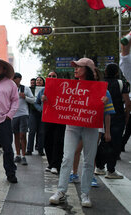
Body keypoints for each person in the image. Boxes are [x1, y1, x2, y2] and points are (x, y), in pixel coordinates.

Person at [49, 58, 113, 208]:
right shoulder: (69, 87)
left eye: (79, 66)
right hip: (72, 126)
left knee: (89, 160)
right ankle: (61, 191)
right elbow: (56, 102)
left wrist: (103, 105)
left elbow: (108, 112)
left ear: (89, 70)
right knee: (67, 157)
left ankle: (85, 194)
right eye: (75, 66)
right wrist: (47, 99)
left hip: (91, 127)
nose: (75, 69)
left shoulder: (102, 90)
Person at [95, 63, 130, 179]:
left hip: (102, 116)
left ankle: (99, 166)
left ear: (105, 71)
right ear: (116, 72)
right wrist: (126, 116)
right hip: (117, 117)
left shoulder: (101, 84)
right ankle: (111, 169)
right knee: (115, 144)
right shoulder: (121, 83)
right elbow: (127, 102)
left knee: (102, 142)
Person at [35, 72, 66, 174]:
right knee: (47, 141)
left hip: (59, 119)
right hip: (47, 119)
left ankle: (56, 165)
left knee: (58, 141)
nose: (51, 77)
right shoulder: (43, 91)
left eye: (54, 76)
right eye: (49, 76)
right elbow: (36, 102)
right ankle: (50, 163)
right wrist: (42, 109)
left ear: (57, 78)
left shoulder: (63, 89)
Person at [12, 73, 35, 165]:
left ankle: (23, 155)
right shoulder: (10, 89)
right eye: (12, 78)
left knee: (22, 135)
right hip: (13, 115)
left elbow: (33, 100)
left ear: (20, 79)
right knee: (16, 135)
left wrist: (25, 97)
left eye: (15, 78)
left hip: (23, 114)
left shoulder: (25, 88)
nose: (13, 80)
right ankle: (17, 154)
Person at [27, 76, 45, 155]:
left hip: (43, 113)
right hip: (33, 112)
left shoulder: (46, 89)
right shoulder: (31, 89)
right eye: (37, 80)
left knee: (41, 132)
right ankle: (29, 149)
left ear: (43, 82)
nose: (38, 81)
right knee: (32, 131)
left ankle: (40, 149)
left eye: (40, 80)